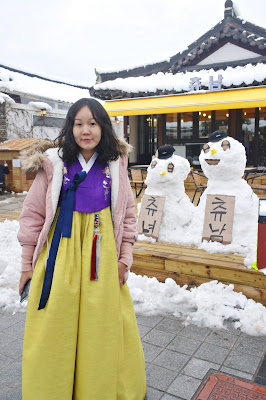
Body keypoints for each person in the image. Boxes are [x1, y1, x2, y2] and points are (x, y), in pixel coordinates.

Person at [18, 98, 146, 400]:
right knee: (55, 325)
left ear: (104, 127)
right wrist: (27, 265)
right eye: (78, 123)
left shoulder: (115, 165)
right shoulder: (53, 164)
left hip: (100, 257)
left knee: (100, 327)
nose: (85, 130)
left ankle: (95, 390)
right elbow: (33, 215)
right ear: (70, 127)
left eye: (93, 123)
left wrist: (124, 259)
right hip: (59, 256)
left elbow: (128, 215)